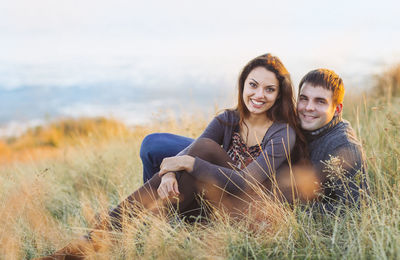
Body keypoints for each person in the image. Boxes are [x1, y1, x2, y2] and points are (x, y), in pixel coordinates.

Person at [37, 53, 307, 259]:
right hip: (212, 203)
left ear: (279, 93)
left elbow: (245, 182)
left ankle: (104, 235)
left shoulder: (282, 132)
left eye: (269, 89)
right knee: (185, 154)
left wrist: (188, 164)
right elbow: (185, 156)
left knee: (203, 152)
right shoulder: (228, 119)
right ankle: (118, 231)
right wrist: (169, 173)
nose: (259, 95)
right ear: (243, 85)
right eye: (253, 85)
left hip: (249, 212)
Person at [141, 68, 368, 213]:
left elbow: (357, 209)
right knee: (154, 146)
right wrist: (169, 171)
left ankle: (152, 216)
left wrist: (292, 209)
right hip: (243, 166)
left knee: (201, 152)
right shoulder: (300, 120)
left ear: (337, 109)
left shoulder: (344, 147)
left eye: (320, 102)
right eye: (305, 99)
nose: (308, 108)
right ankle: (163, 205)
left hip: (251, 192)